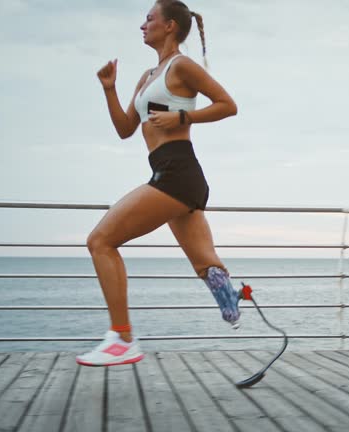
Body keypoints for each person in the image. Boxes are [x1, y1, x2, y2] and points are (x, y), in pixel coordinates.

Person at [76, 0, 241, 367]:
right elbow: (124, 129)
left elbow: (228, 105)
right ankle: (229, 292)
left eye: (149, 18)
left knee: (100, 241)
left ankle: (121, 338)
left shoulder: (182, 66)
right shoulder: (148, 75)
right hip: (171, 175)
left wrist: (183, 115)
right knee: (206, 265)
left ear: (169, 26)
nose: (142, 25)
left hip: (178, 174)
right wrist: (109, 89)